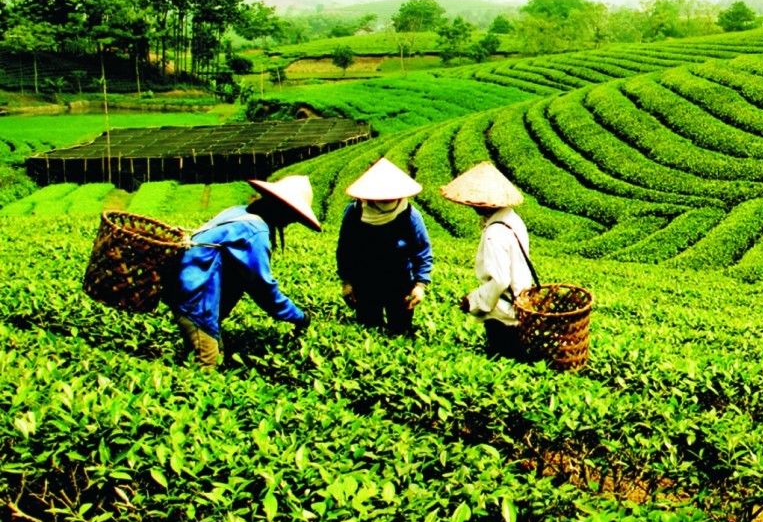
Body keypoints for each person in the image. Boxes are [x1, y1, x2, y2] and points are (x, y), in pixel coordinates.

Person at [162, 174, 321, 369]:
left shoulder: (239, 212)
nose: (290, 222)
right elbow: (263, 288)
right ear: (282, 209)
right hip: (196, 299)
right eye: (293, 216)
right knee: (206, 363)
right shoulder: (256, 231)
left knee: (215, 354)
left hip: (185, 287)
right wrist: (299, 317)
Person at [441, 161, 534, 359]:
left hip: (504, 313)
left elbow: (500, 280)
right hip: (523, 303)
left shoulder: (495, 233)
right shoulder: (513, 220)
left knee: (503, 358)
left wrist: (474, 301)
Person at [336, 157, 432, 337]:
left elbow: (422, 251)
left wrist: (420, 285)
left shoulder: (410, 215)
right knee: (368, 331)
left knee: (400, 331)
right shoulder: (355, 212)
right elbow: (345, 249)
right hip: (364, 283)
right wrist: (347, 282)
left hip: (400, 283)